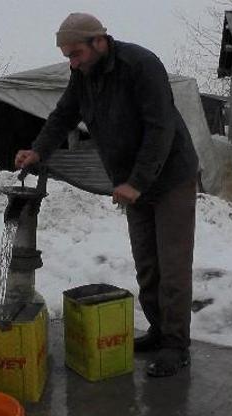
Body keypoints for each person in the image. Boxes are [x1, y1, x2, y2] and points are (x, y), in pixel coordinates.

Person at [15, 12, 199, 377]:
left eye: (76, 53)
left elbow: (160, 128)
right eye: (68, 55)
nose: (72, 62)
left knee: (172, 265)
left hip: (170, 176)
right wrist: (38, 150)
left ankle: (176, 346)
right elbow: (63, 115)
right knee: (147, 264)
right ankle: (159, 331)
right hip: (134, 182)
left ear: (99, 41)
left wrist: (137, 182)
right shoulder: (83, 75)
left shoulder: (141, 65)